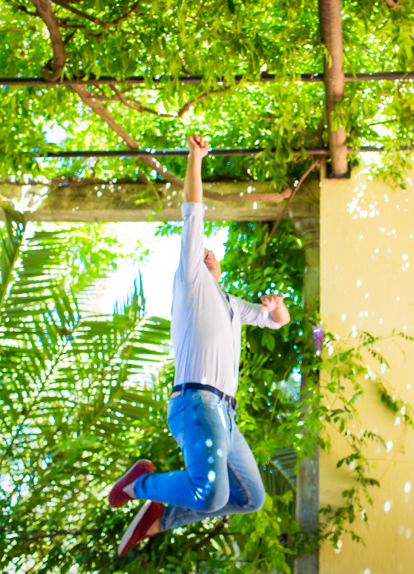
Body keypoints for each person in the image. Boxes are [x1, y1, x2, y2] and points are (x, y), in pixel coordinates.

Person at [108, 134, 291, 557]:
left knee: (251, 498)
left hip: (225, 416)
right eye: (203, 252)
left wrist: (279, 308)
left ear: (220, 268)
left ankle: (159, 518)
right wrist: (195, 158)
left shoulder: (231, 305)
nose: (207, 255)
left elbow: (279, 321)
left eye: (213, 255)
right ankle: (137, 486)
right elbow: (193, 213)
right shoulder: (190, 285)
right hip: (197, 405)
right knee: (210, 494)